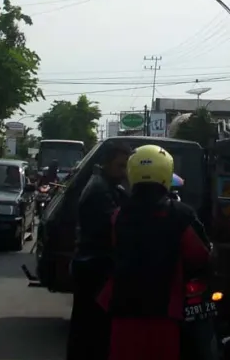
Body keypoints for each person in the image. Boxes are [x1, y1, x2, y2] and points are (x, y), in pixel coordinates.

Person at [97, 145, 211, 360]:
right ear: (166, 172)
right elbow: (199, 255)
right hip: (164, 311)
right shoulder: (181, 214)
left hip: (122, 308)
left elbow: (110, 252)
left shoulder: (118, 215)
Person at [66, 142, 131, 360]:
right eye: (121, 166)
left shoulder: (110, 187)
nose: (124, 172)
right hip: (93, 267)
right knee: (90, 333)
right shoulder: (99, 190)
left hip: (95, 265)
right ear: (106, 164)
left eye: (127, 167)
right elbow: (116, 227)